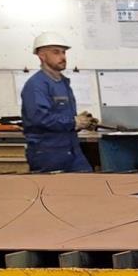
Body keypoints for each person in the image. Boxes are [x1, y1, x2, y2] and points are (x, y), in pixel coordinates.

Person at [20, 32, 97, 172]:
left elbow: (61, 116)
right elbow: (39, 118)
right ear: (42, 56)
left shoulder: (63, 82)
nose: (62, 57)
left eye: (63, 52)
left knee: (88, 181)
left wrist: (82, 122)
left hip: (72, 150)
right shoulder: (36, 85)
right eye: (56, 52)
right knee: (55, 186)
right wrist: (74, 122)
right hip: (48, 153)